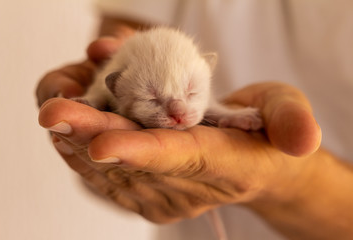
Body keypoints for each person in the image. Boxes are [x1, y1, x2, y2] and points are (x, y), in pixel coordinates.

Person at [36, 0, 353, 239]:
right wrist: (86, 123)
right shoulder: (118, 72)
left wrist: (293, 182)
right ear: (117, 87)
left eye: (192, 94)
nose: (177, 114)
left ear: (207, 70)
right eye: (150, 100)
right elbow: (99, 89)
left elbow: (212, 107)